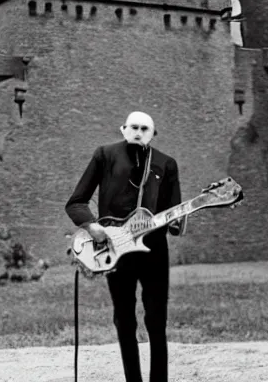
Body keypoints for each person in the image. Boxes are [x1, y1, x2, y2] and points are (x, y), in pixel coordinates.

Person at [65, 111, 187, 382]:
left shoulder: (167, 164)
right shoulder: (104, 155)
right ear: (123, 129)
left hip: (154, 250)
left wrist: (184, 214)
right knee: (124, 319)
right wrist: (91, 226)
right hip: (113, 250)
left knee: (157, 320)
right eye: (133, 127)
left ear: (153, 134)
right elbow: (76, 202)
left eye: (145, 128)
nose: (138, 132)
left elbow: (173, 215)